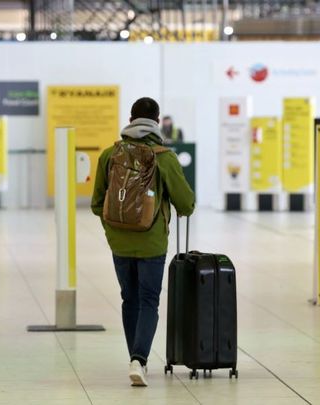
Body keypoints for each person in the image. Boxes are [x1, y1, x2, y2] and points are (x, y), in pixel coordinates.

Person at [91, 97, 195, 387]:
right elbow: (186, 204)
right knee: (149, 299)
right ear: (157, 122)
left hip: (119, 243)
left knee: (129, 298)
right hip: (152, 243)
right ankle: (139, 359)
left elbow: (97, 203)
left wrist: (114, 229)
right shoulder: (164, 157)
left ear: (130, 118)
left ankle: (134, 359)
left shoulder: (109, 155)